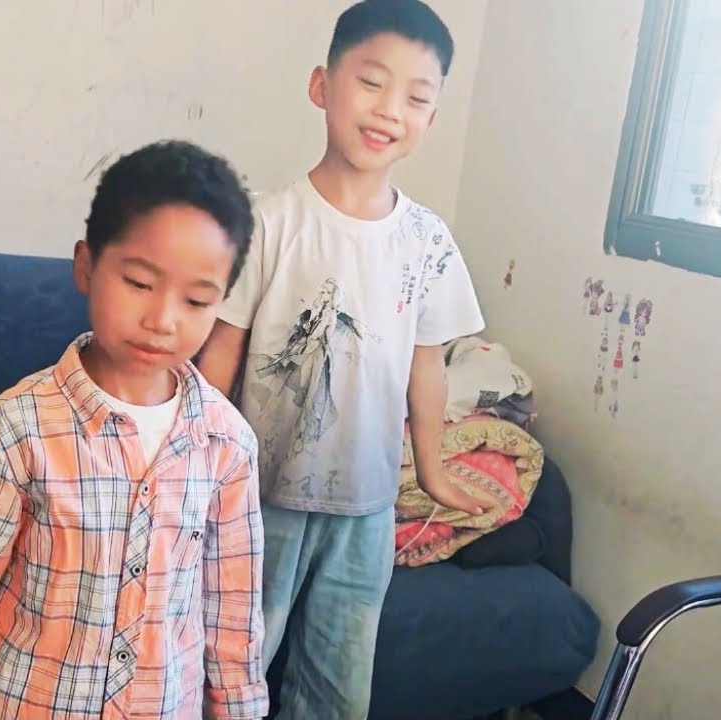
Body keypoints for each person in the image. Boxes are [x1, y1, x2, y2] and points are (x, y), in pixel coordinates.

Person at [0, 140, 268, 720]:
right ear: (86, 266)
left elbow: (232, 615)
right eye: (140, 283)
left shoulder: (226, 445)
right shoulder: (14, 432)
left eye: (197, 299)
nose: (162, 319)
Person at [196, 1, 494, 718]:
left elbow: (427, 366)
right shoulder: (268, 220)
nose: (390, 110)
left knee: (338, 685)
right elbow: (222, 351)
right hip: (259, 501)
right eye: (371, 82)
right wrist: (193, 465)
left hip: (367, 506)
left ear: (431, 117)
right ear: (321, 85)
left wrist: (432, 470)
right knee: (232, 669)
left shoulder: (426, 239)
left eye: (417, 98)